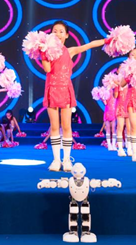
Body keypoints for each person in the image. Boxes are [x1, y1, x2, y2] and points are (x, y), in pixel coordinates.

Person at [39, 21, 105, 172]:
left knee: (67, 126)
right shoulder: (46, 51)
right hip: (51, 89)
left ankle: (67, 159)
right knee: (54, 126)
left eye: (61, 31)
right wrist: (43, 53)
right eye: (54, 31)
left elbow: (89, 45)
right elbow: (47, 69)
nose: (57, 33)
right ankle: (56, 160)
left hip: (65, 90)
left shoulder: (70, 51)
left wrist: (108, 40)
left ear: (67, 35)